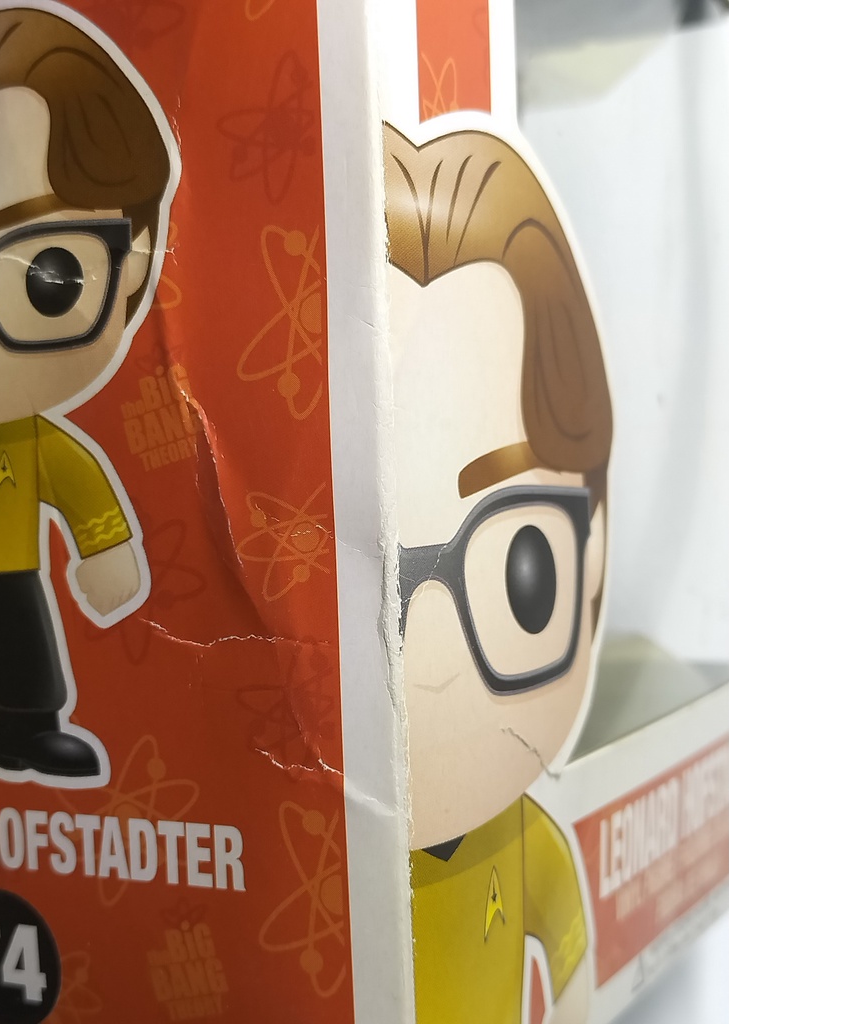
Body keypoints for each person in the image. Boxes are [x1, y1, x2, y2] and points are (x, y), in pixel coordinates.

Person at [384, 123, 613, 1023]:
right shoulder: (305, 845)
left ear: (591, 559)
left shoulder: (520, 841)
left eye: (527, 572)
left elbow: (572, 955)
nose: (430, 656)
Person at [0, 4, 178, 783]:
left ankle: (27, 729)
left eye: (46, 274)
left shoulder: (26, 436)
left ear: (133, 256)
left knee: (26, 648)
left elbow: (78, 481)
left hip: (11, 566)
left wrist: (104, 548)